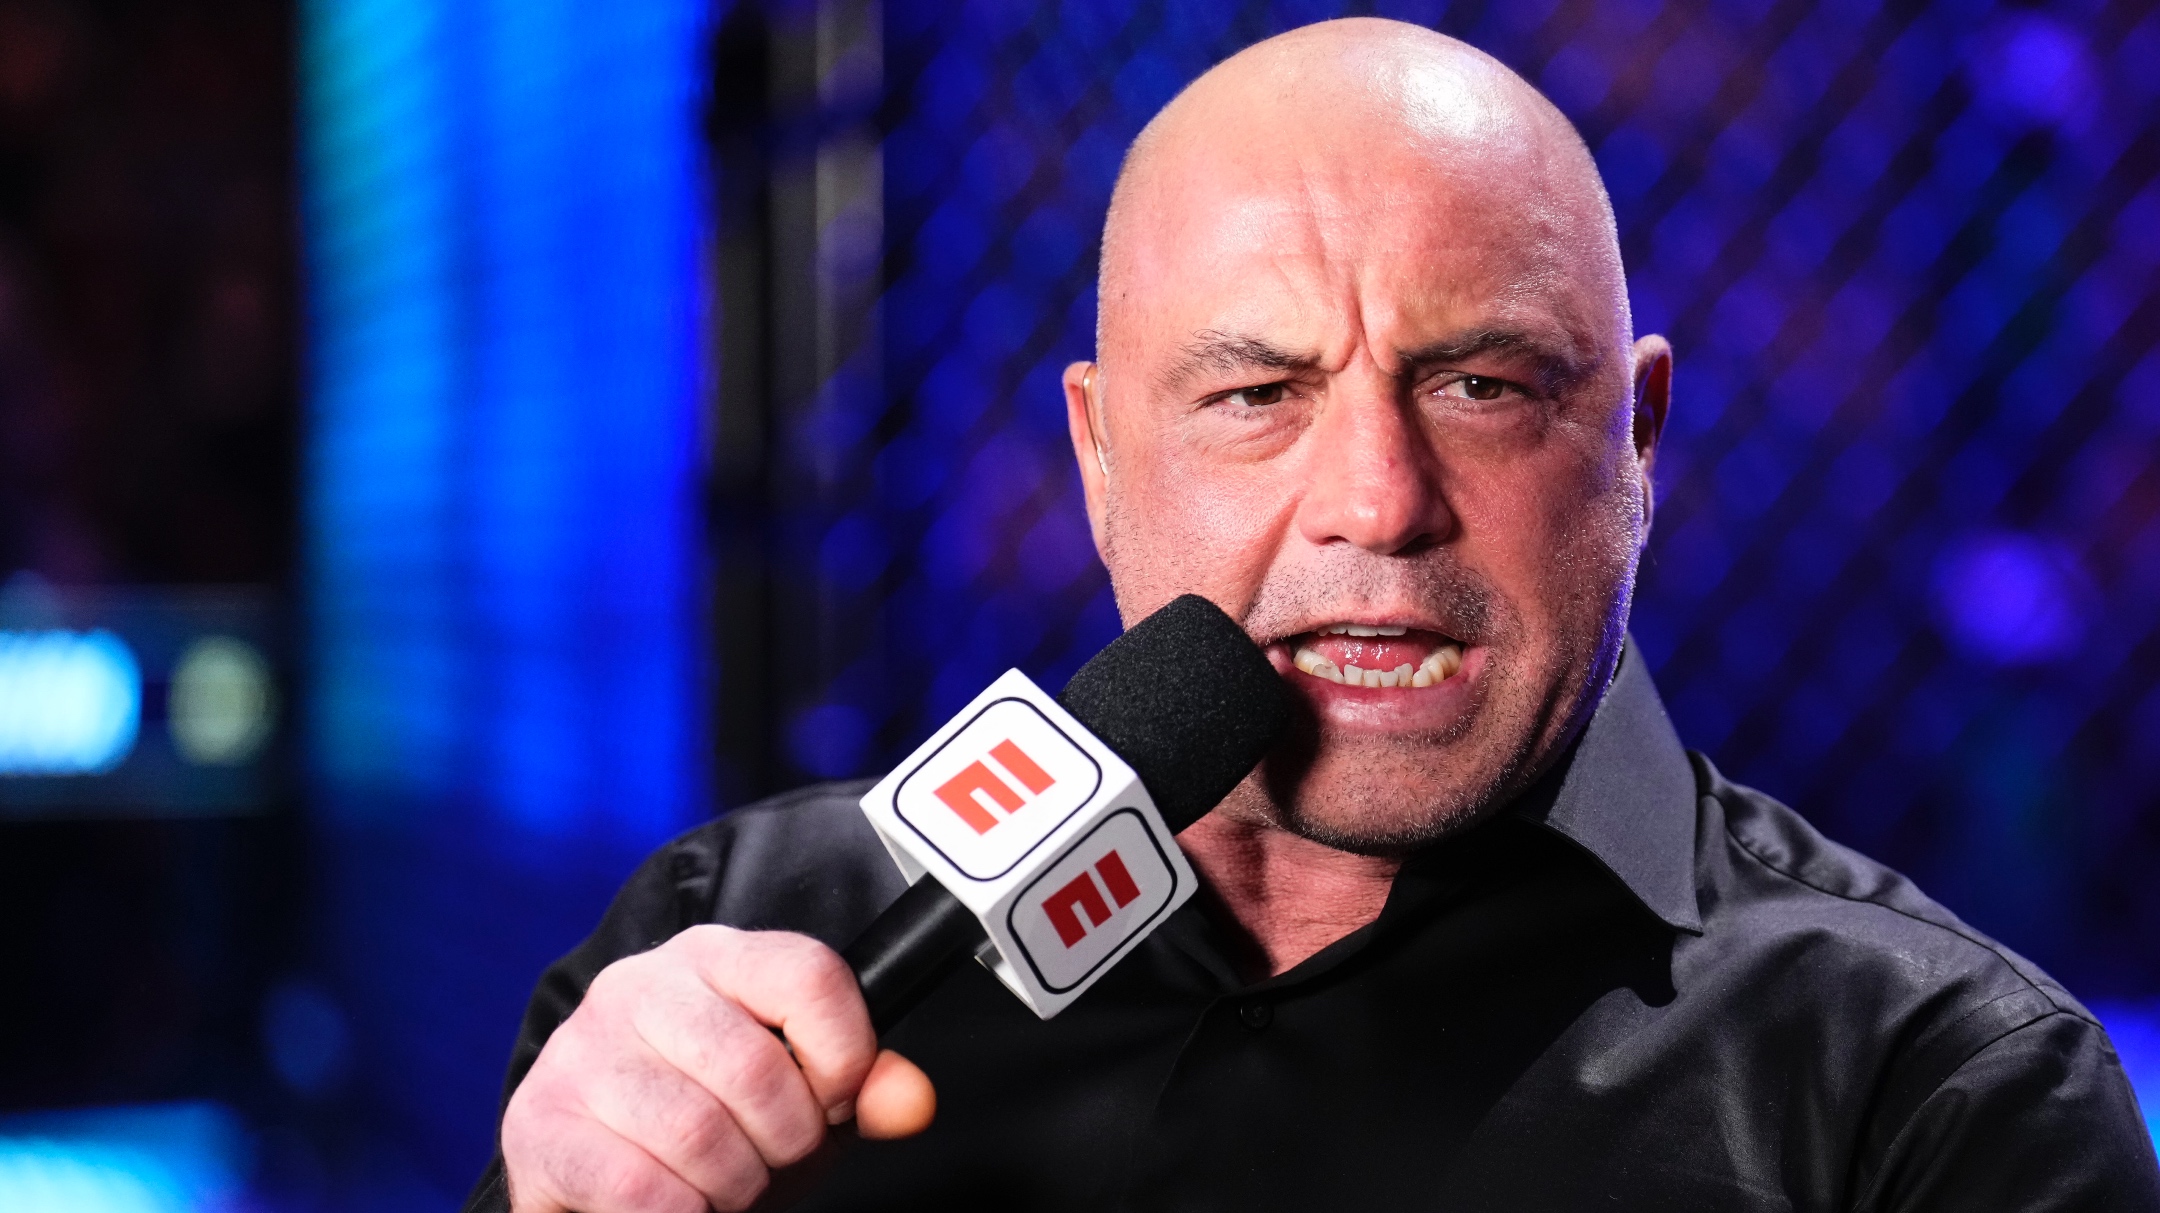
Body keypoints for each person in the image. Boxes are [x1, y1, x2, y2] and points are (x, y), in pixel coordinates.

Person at [465, 18, 2160, 1213]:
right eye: (1259, 393)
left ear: (1637, 444)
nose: (1376, 498)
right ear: (1101, 454)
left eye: (1484, 384)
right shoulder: (730, 952)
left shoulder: (1934, 1095)